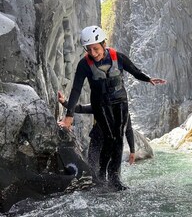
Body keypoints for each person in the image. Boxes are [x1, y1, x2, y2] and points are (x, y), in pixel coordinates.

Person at [58, 25, 166, 191]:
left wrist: (148, 79)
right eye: (89, 50)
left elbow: (135, 71)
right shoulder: (84, 64)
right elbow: (76, 89)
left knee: (118, 137)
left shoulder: (118, 57)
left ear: (103, 43)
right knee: (109, 137)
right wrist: (69, 115)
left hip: (120, 102)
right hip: (100, 105)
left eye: (96, 48)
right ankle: (101, 175)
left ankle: (115, 177)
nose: (93, 53)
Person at [58, 91, 135, 169]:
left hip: (113, 144)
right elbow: (80, 108)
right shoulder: (99, 106)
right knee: (93, 168)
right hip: (97, 142)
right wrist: (64, 102)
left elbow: (128, 130)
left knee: (113, 171)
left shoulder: (123, 111)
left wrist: (132, 150)